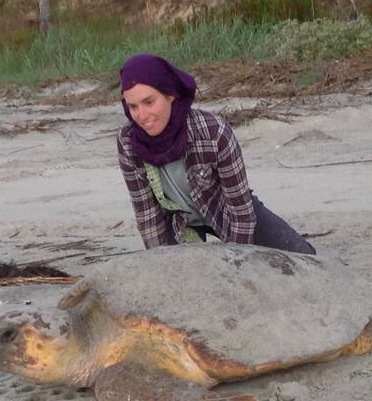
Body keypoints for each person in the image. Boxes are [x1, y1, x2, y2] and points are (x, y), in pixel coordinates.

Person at [117, 53, 315, 254]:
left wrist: (238, 262)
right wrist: (163, 262)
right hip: (178, 220)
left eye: (149, 102)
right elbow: (147, 215)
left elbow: (241, 212)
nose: (141, 116)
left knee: (304, 255)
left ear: (170, 95)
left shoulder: (215, 133)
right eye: (133, 106)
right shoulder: (127, 142)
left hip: (227, 208)